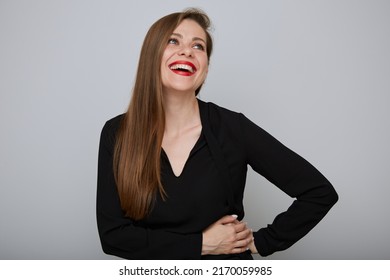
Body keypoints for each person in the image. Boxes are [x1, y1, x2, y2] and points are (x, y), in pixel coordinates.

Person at [96, 8, 338, 260]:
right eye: (173, 40)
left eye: (198, 46)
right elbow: (113, 236)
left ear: (206, 68)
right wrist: (200, 244)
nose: (187, 51)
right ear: (151, 56)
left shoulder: (233, 128)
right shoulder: (118, 134)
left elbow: (319, 192)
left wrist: (263, 242)